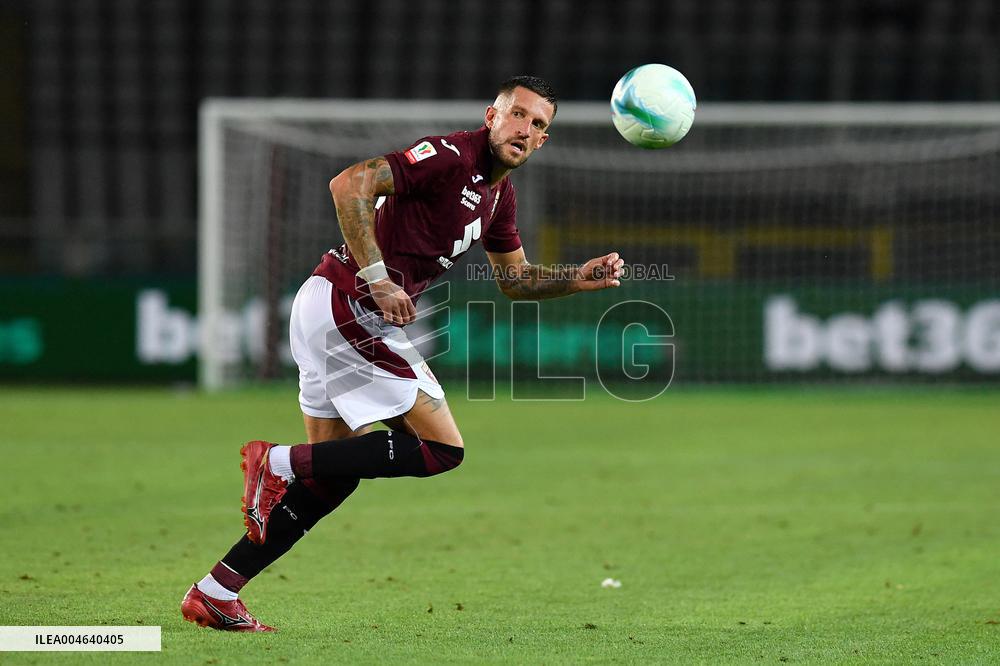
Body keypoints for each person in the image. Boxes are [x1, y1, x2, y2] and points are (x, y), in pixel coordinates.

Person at [181, 75, 625, 631]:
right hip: (352, 307)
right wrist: (379, 278)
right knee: (443, 450)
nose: (525, 129)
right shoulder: (448, 156)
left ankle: (217, 590)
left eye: (538, 125)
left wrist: (576, 281)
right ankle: (272, 462)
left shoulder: (498, 195)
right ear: (492, 115)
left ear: (543, 141)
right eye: (517, 114)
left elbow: (514, 280)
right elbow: (349, 184)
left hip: (332, 309)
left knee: (331, 476)